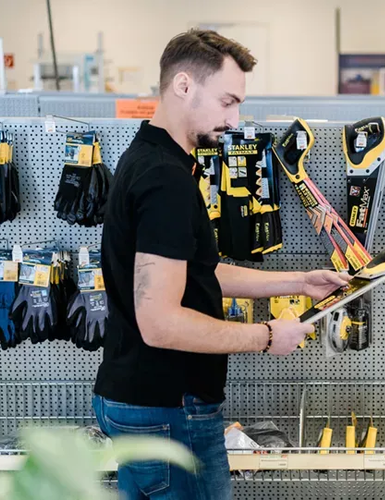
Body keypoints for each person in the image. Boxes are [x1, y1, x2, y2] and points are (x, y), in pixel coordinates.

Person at [91, 30, 349, 500]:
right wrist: (267, 336)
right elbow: (160, 323)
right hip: (169, 409)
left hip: (142, 398)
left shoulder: (151, 159)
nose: (234, 119)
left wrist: (298, 281)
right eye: (227, 102)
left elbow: (194, 273)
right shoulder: (164, 179)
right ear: (184, 85)